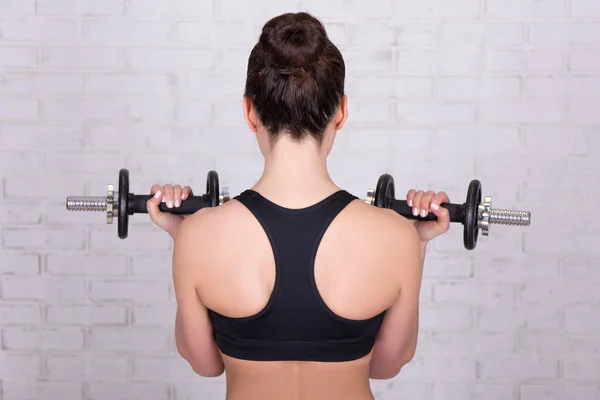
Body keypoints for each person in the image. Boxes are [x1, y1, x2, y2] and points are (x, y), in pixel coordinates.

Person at [146, 12, 450, 400]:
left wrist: (182, 236)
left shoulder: (199, 234)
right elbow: (388, 365)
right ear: (340, 112)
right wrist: (417, 244)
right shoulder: (395, 235)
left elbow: (204, 363)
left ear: (250, 112)